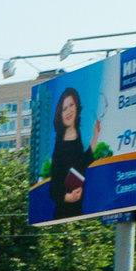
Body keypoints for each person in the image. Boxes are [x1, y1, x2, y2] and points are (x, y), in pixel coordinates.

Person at [45, 84, 92, 219]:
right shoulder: (59, 145)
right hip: (64, 213)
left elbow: (82, 163)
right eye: (64, 108)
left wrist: (96, 137)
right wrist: (69, 197)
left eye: (71, 105)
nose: (69, 111)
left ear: (77, 106)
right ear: (60, 114)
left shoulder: (79, 136)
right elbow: (54, 190)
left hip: (79, 210)